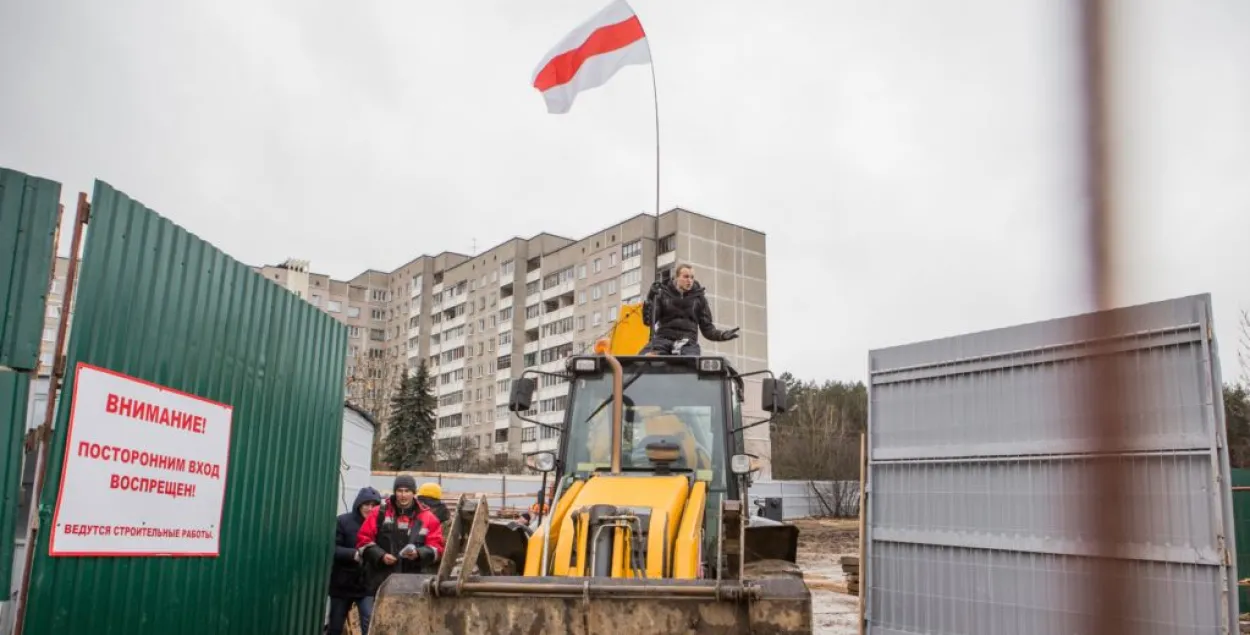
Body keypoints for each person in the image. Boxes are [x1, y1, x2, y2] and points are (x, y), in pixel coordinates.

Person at [356, 475, 446, 595]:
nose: (403, 495)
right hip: (380, 582)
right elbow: (363, 541)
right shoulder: (378, 513)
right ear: (395, 492)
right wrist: (381, 556)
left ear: (414, 492)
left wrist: (419, 554)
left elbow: (437, 548)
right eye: (400, 491)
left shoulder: (429, 518)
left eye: (407, 491)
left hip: (414, 583)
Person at [641, 264, 739, 356]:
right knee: (640, 361)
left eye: (692, 277)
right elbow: (648, 321)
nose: (689, 280)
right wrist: (650, 298)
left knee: (694, 364)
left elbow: (708, 329)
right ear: (676, 278)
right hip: (662, 340)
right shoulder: (662, 294)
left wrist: (722, 335)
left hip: (688, 343)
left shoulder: (699, 299)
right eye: (686, 277)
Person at [328, 486, 382, 635]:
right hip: (342, 583)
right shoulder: (343, 521)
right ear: (359, 504)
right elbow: (332, 548)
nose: (370, 509)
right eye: (366, 504)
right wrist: (353, 554)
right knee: (335, 626)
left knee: (369, 622)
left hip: (367, 585)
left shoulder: (382, 525)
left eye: (374, 505)